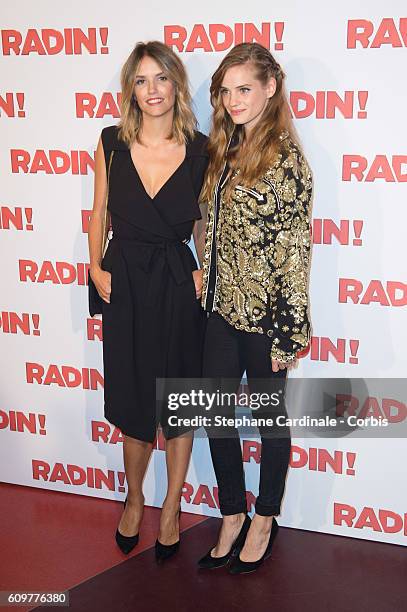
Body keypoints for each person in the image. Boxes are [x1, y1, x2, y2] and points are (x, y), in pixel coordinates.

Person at [88, 41, 208, 562]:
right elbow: (99, 212)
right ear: (130, 90)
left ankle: (173, 504)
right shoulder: (111, 143)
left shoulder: (204, 149)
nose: (152, 90)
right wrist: (95, 268)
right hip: (127, 282)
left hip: (180, 284)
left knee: (180, 402)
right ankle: (134, 497)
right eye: (141, 80)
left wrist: (206, 268)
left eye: (161, 78)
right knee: (136, 403)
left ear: (176, 84)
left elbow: (204, 221)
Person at [197, 43, 313, 574]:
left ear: (271, 87)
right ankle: (231, 513)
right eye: (226, 90)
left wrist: (289, 332)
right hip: (219, 310)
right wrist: (204, 271)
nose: (233, 99)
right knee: (217, 415)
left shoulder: (286, 159)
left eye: (245, 88)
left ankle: (265, 516)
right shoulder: (223, 147)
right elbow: (211, 224)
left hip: (266, 318)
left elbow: (295, 252)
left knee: (269, 420)